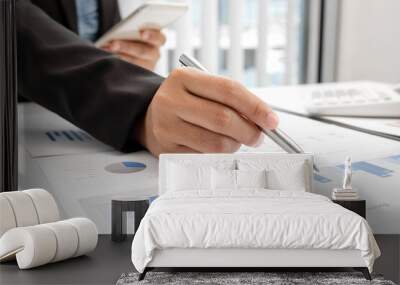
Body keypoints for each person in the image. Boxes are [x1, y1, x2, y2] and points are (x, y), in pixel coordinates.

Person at [17, 0, 279, 157]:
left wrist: (128, 63)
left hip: (74, 125)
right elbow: (15, 26)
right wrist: (137, 100)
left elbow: (88, 48)